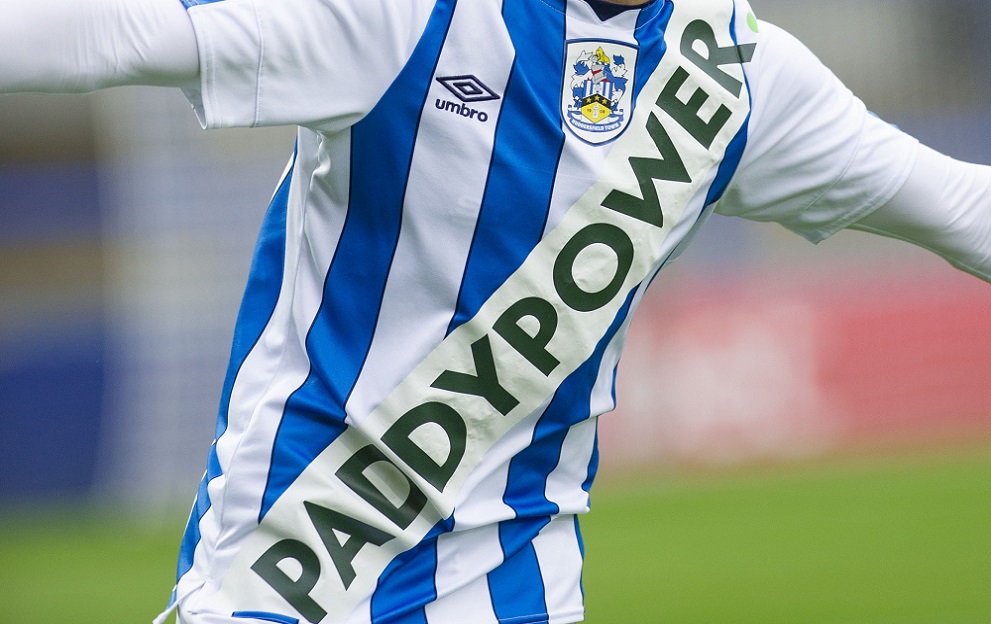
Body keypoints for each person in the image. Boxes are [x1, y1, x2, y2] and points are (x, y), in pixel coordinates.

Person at [2, 0, 989, 622]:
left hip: (513, 595)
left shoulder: (731, 77)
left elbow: (958, 206)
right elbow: (119, 30)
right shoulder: (404, 18)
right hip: (290, 577)